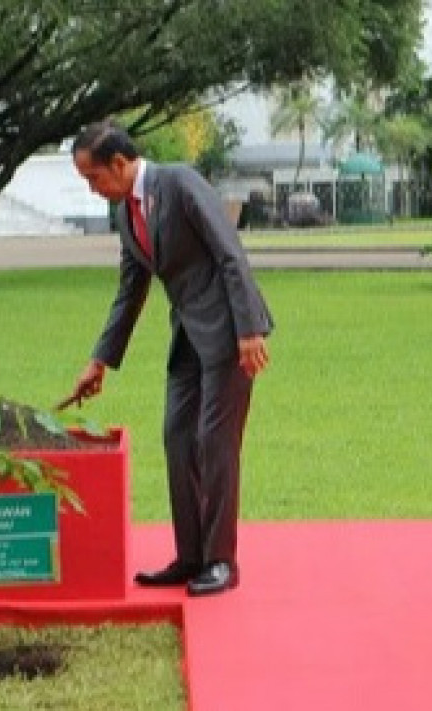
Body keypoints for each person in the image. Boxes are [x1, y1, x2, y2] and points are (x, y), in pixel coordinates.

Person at [67, 120, 273, 597]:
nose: (93, 190)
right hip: (187, 339)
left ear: (119, 164)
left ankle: (221, 561)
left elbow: (230, 253)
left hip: (228, 333)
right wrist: (100, 361)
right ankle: (191, 556)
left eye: (94, 178)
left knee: (214, 442)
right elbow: (129, 292)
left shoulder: (179, 183)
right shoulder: (125, 215)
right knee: (177, 436)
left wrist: (248, 329)